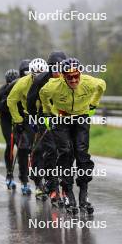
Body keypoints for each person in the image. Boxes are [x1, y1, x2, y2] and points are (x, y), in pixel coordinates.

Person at [39, 58, 106, 214]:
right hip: (61, 119)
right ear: (63, 76)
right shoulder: (53, 86)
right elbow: (43, 94)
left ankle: (84, 196)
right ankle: (68, 194)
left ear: (80, 73)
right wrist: (48, 112)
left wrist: (93, 105)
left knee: (82, 154)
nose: (74, 80)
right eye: (70, 77)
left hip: (81, 117)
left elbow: (102, 85)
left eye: (76, 76)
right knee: (66, 153)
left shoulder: (89, 82)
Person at [27, 51, 68, 203]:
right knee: (51, 150)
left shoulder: (69, 75)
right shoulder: (40, 80)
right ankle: (52, 187)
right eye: (54, 68)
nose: (58, 72)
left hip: (64, 116)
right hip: (45, 117)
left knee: (65, 151)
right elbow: (31, 102)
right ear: (49, 68)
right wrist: (33, 119)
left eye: (61, 68)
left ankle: (65, 187)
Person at [7, 58, 48, 195]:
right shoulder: (22, 83)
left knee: (42, 149)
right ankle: (24, 180)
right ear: (30, 73)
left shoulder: (52, 80)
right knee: (25, 148)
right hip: (28, 117)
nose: (39, 78)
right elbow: (11, 101)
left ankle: (40, 182)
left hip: (45, 116)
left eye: (42, 74)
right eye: (35, 75)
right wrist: (18, 120)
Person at [0, 69, 19, 189]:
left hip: (18, 118)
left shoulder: (21, 89)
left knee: (22, 145)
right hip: (6, 119)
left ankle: (25, 174)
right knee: (10, 142)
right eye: (9, 83)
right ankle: (9, 173)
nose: (11, 86)